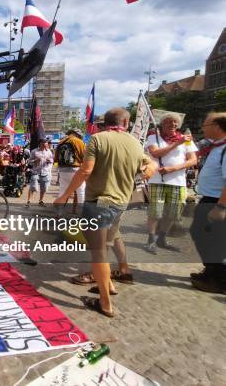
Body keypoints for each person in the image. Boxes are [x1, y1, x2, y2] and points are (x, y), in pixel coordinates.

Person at [55, 108, 157, 317]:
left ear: (105, 122)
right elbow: (150, 164)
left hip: (99, 203)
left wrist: (65, 195)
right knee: (106, 246)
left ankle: (105, 303)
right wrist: (147, 171)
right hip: (121, 203)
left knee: (99, 252)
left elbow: (85, 170)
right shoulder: (134, 142)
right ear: (126, 122)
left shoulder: (97, 139)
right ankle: (108, 285)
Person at [145, 114, 198, 253]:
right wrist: (177, 143)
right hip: (157, 181)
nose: (172, 124)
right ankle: (151, 240)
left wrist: (173, 168)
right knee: (155, 213)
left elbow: (193, 160)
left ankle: (162, 239)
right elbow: (155, 153)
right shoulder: (153, 137)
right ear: (162, 124)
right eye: (168, 122)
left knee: (172, 214)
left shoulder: (186, 140)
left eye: (175, 122)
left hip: (178, 182)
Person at [188, 112, 226, 293]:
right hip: (209, 198)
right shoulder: (216, 147)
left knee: (213, 239)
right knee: (201, 234)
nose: (203, 128)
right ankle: (211, 271)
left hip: (217, 201)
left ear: (217, 127)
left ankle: (218, 279)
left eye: (206, 125)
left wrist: (221, 207)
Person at [57, 129, 86, 213]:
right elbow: (84, 157)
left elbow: (55, 159)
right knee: (80, 192)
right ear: (77, 134)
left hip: (62, 170)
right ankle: (83, 213)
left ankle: (59, 213)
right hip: (75, 169)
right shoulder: (79, 141)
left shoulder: (61, 142)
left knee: (62, 192)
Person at [26, 138, 54, 206]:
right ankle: (29, 201)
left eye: (46, 144)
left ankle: (41, 201)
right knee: (33, 187)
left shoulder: (49, 151)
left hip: (45, 172)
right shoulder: (34, 151)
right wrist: (35, 161)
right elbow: (29, 161)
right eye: (43, 144)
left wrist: (49, 161)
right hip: (36, 171)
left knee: (44, 188)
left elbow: (52, 160)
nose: (45, 145)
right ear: (40, 144)